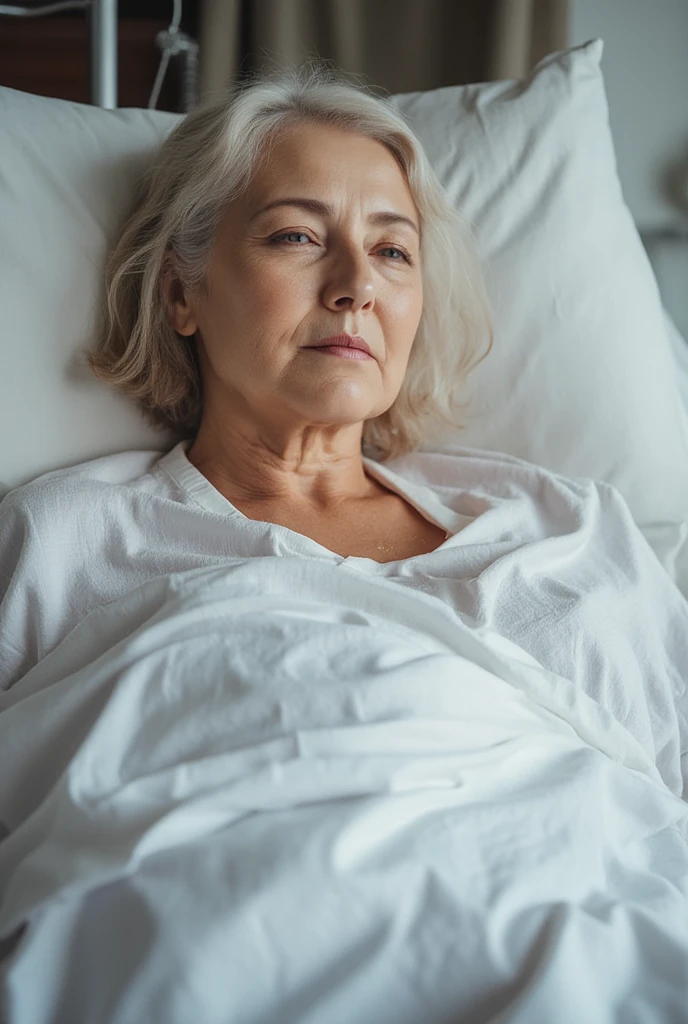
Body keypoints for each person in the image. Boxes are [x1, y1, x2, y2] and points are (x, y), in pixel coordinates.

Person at [0, 61, 686, 800]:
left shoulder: (570, 526)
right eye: (296, 236)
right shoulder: (64, 545)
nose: (357, 283)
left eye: (392, 251)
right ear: (179, 292)